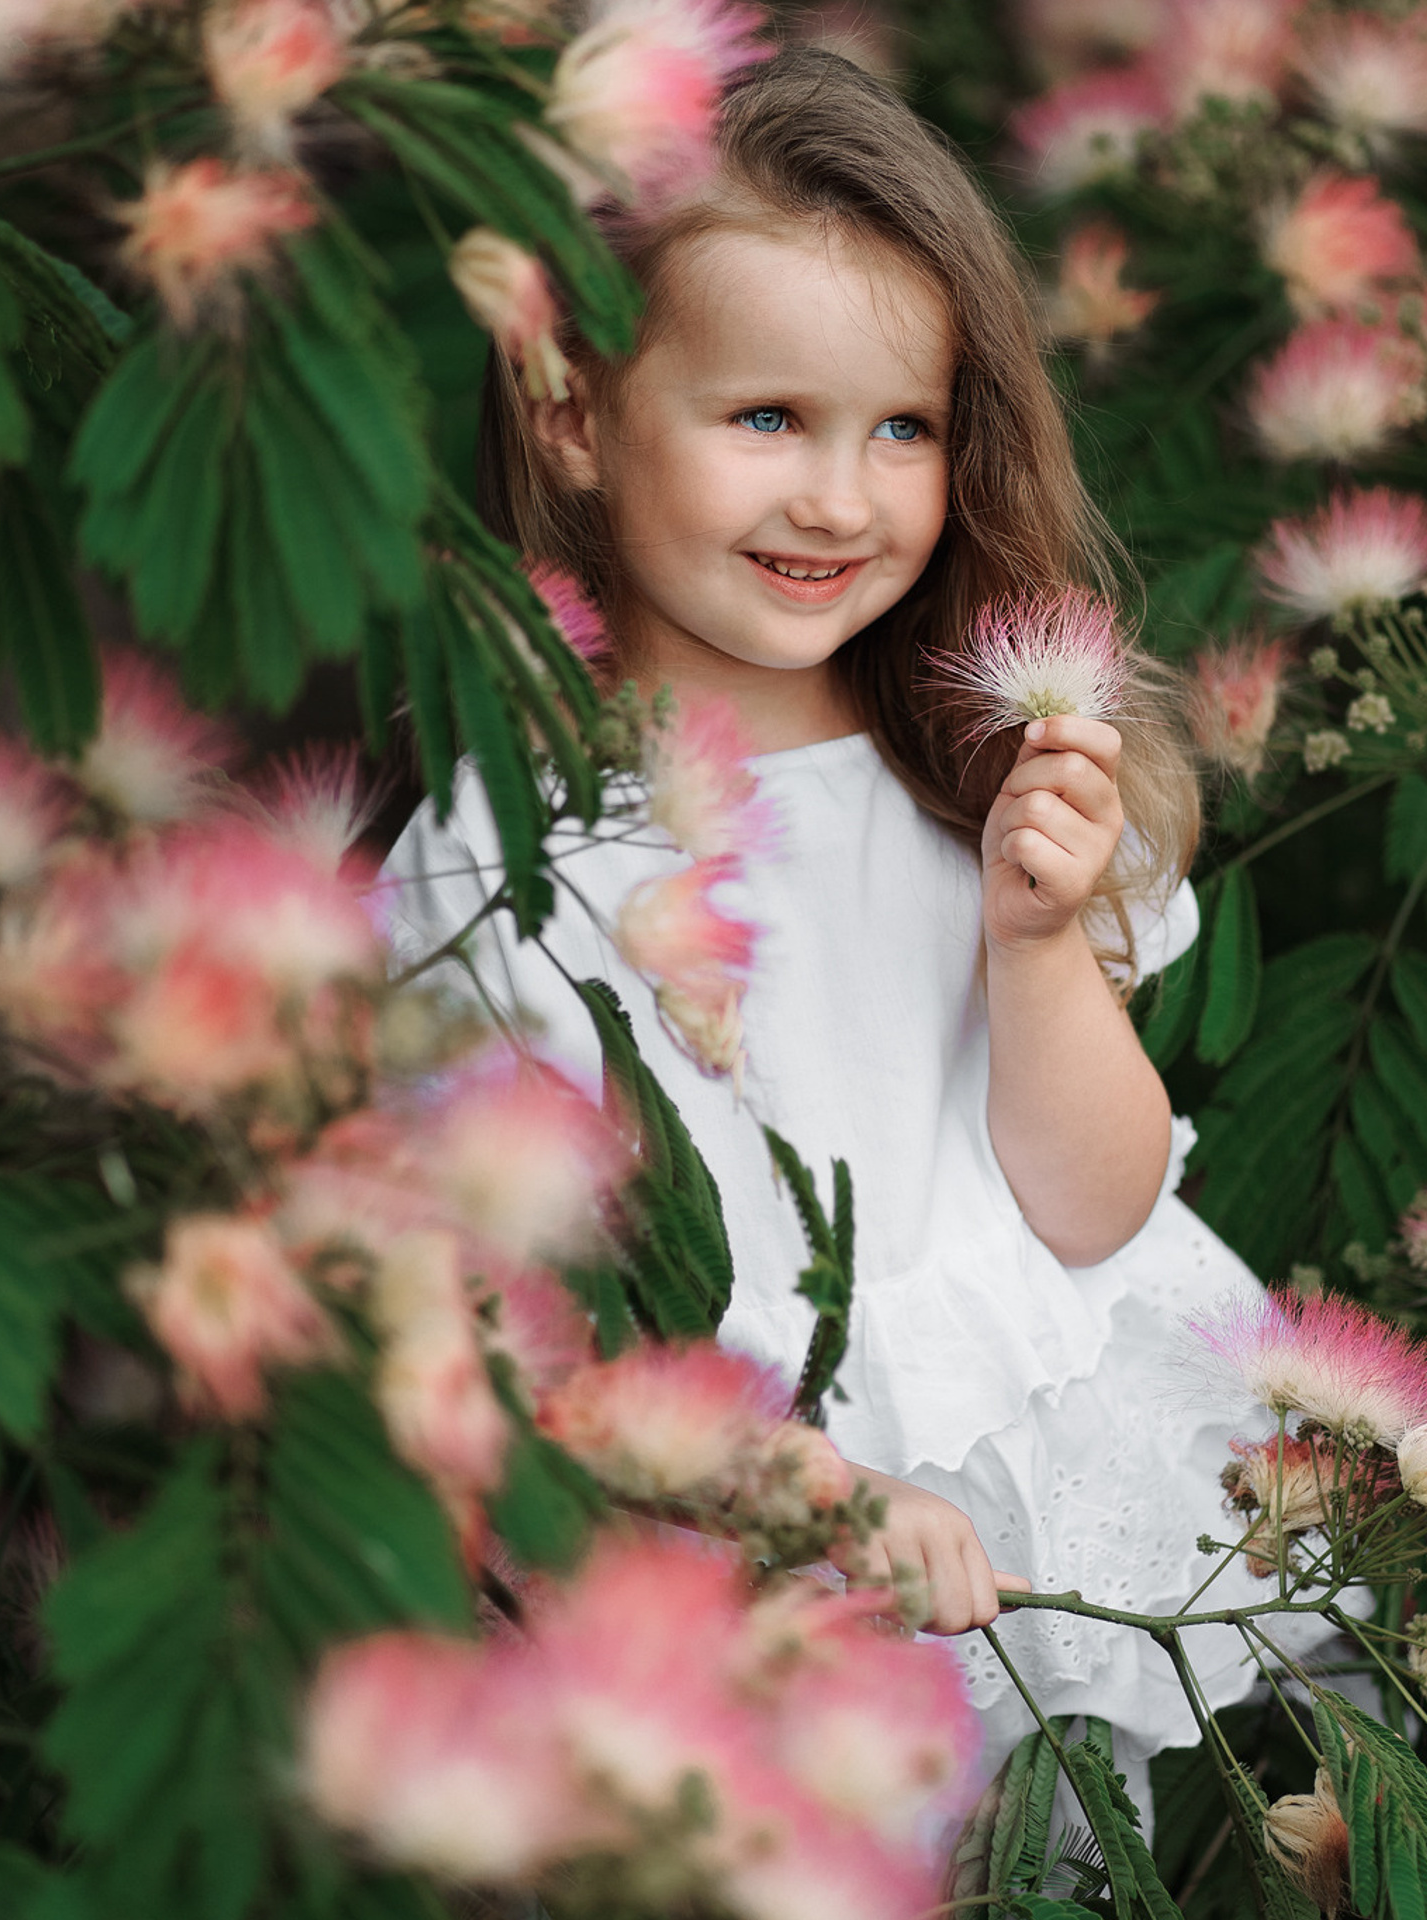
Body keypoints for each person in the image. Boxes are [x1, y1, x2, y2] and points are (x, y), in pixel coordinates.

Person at [385, 47, 1277, 1822]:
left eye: (906, 429)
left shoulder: (983, 772)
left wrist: (1035, 946)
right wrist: (814, 1502)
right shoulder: (504, 848)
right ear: (572, 409)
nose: (844, 502)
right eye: (767, 418)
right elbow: (511, 1324)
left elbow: (1092, 1211)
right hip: (726, 1527)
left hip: (1056, 1466)